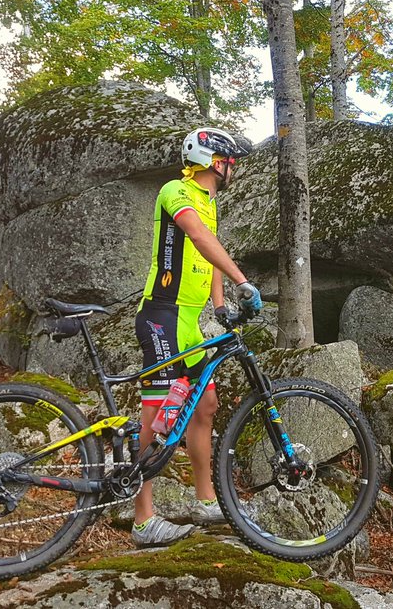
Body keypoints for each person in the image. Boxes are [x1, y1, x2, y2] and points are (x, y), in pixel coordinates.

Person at [131, 126, 263, 547]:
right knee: (157, 412)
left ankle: (205, 501)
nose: (233, 168)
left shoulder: (209, 202)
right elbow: (199, 239)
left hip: (187, 321)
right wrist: (243, 279)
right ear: (211, 160)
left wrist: (221, 306)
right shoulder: (176, 190)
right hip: (161, 315)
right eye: (230, 161)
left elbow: (209, 257)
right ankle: (142, 519)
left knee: (204, 403)